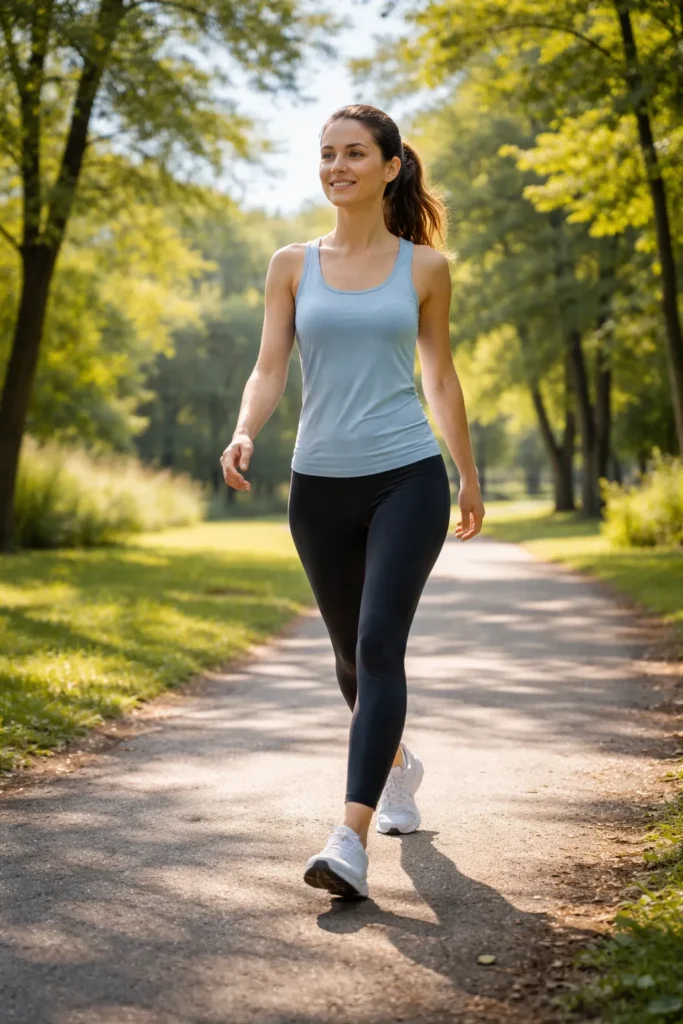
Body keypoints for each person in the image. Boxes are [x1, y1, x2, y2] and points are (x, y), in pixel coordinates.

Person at [220, 103, 485, 900]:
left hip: (407, 475)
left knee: (376, 647)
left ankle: (348, 840)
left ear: (390, 166)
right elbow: (269, 366)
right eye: (327, 153)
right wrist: (244, 429)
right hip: (318, 485)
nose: (337, 166)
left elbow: (438, 376)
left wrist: (467, 472)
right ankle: (397, 763)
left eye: (355, 153)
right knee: (347, 659)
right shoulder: (291, 264)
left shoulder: (425, 269)